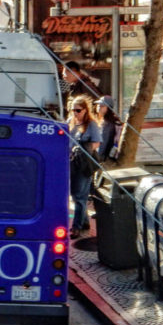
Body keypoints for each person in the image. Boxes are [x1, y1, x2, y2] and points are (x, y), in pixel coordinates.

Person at [68, 96, 101, 239]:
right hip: (71, 163)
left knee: (79, 196)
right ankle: (85, 222)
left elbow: (96, 143)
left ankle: (77, 227)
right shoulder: (71, 122)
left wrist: (82, 150)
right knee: (77, 195)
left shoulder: (91, 125)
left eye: (78, 110)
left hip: (83, 164)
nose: (75, 113)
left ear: (85, 110)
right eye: (73, 110)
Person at [94, 95, 121, 161]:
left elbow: (103, 142)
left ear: (108, 108)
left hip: (105, 158)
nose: (99, 107)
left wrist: (98, 158)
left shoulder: (108, 123)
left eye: (102, 106)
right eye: (98, 105)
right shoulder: (105, 120)